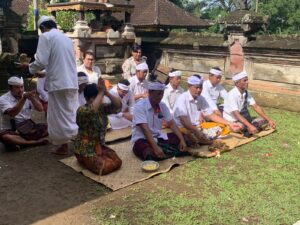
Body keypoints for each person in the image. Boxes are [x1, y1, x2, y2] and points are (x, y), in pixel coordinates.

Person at [23, 15, 79, 155]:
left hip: (58, 85)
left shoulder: (45, 37)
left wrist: (29, 68)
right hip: (71, 82)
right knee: (71, 114)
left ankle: (63, 146)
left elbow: (41, 60)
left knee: (57, 117)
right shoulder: (66, 39)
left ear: (42, 28)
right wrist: (46, 73)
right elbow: (61, 63)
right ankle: (79, 140)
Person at [173, 75, 242, 146]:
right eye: (196, 87)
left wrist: (229, 123)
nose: (199, 90)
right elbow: (183, 121)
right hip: (184, 128)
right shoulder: (182, 99)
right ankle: (203, 140)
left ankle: (203, 139)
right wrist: (196, 131)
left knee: (222, 126)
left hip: (198, 127)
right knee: (190, 135)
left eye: (200, 87)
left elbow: (211, 115)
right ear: (189, 86)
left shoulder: (201, 98)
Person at [74, 78, 122, 175]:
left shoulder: (102, 108)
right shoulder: (82, 110)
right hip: (85, 149)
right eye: (95, 97)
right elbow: (92, 111)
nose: (99, 99)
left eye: (100, 96)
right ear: (89, 98)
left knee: (117, 162)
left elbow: (118, 106)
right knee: (104, 167)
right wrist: (100, 93)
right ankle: (82, 158)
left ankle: (91, 160)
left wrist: (106, 93)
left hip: (99, 146)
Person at [131, 81, 187, 161]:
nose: (160, 97)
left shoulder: (162, 105)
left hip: (158, 137)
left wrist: (182, 140)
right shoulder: (139, 106)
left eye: (162, 94)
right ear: (150, 93)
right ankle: (163, 150)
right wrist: (155, 147)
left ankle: (165, 150)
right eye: (158, 94)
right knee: (148, 153)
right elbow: (145, 129)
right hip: (142, 139)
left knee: (184, 137)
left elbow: (172, 124)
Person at [0, 76, 48, 150]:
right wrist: (23, 99)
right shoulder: (3, 99)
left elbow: (40, 109)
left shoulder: (26, 95)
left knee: (50, 127)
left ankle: (20, 143)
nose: (21, 90)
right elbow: (12, 113)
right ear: (10, 88)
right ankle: (34, 143)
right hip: (12, 130)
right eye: (17, 87)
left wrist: (32, 98)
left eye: (22, 87)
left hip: (28, 127)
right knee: (5, 137)